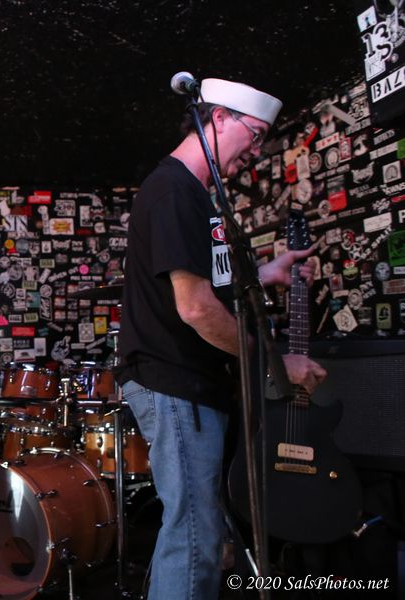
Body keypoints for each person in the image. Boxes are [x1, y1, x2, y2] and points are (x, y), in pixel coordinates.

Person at [114, 79, 328, 599]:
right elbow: (194, 308)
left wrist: (268, 272)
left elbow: (209, 286)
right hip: (175, 382)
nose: (255, 152)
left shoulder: (193, 194)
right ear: (218, 118)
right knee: (195, 535)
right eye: (254, 135)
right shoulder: (173, 190)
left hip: (193, 385)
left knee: (199, 530)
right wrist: (277, 365)